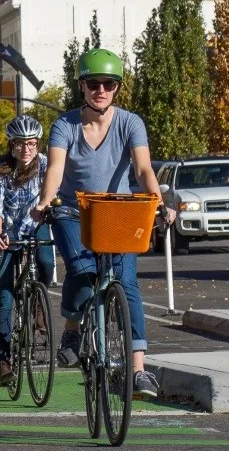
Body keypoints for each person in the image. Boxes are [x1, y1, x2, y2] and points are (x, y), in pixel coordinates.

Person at [32, 49, 171, 399]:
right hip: (72, 212)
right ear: (82, 86)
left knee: (126, 283)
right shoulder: (65, 125)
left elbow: (143, 170)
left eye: (109, 84)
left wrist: (158, 202)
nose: (101, 90)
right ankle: (73, 328)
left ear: (117, 88)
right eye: (93, 83)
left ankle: (138, 370)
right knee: (81, 270)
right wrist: (46, 200)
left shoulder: (130, 123)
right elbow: (56, 170)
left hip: (119, 213)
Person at [0, 114, 54, 388]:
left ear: (38, 144)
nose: (25, 150)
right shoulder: (0, 167)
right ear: (11, 145)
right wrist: (0, 233)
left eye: (31, 144)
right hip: (4, 231)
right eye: (19, 144)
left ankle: (37, 301)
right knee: (4, 298)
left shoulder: (47, 165)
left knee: (47, 261)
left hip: (34, 224)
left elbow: (46, 199)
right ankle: (4, 361)